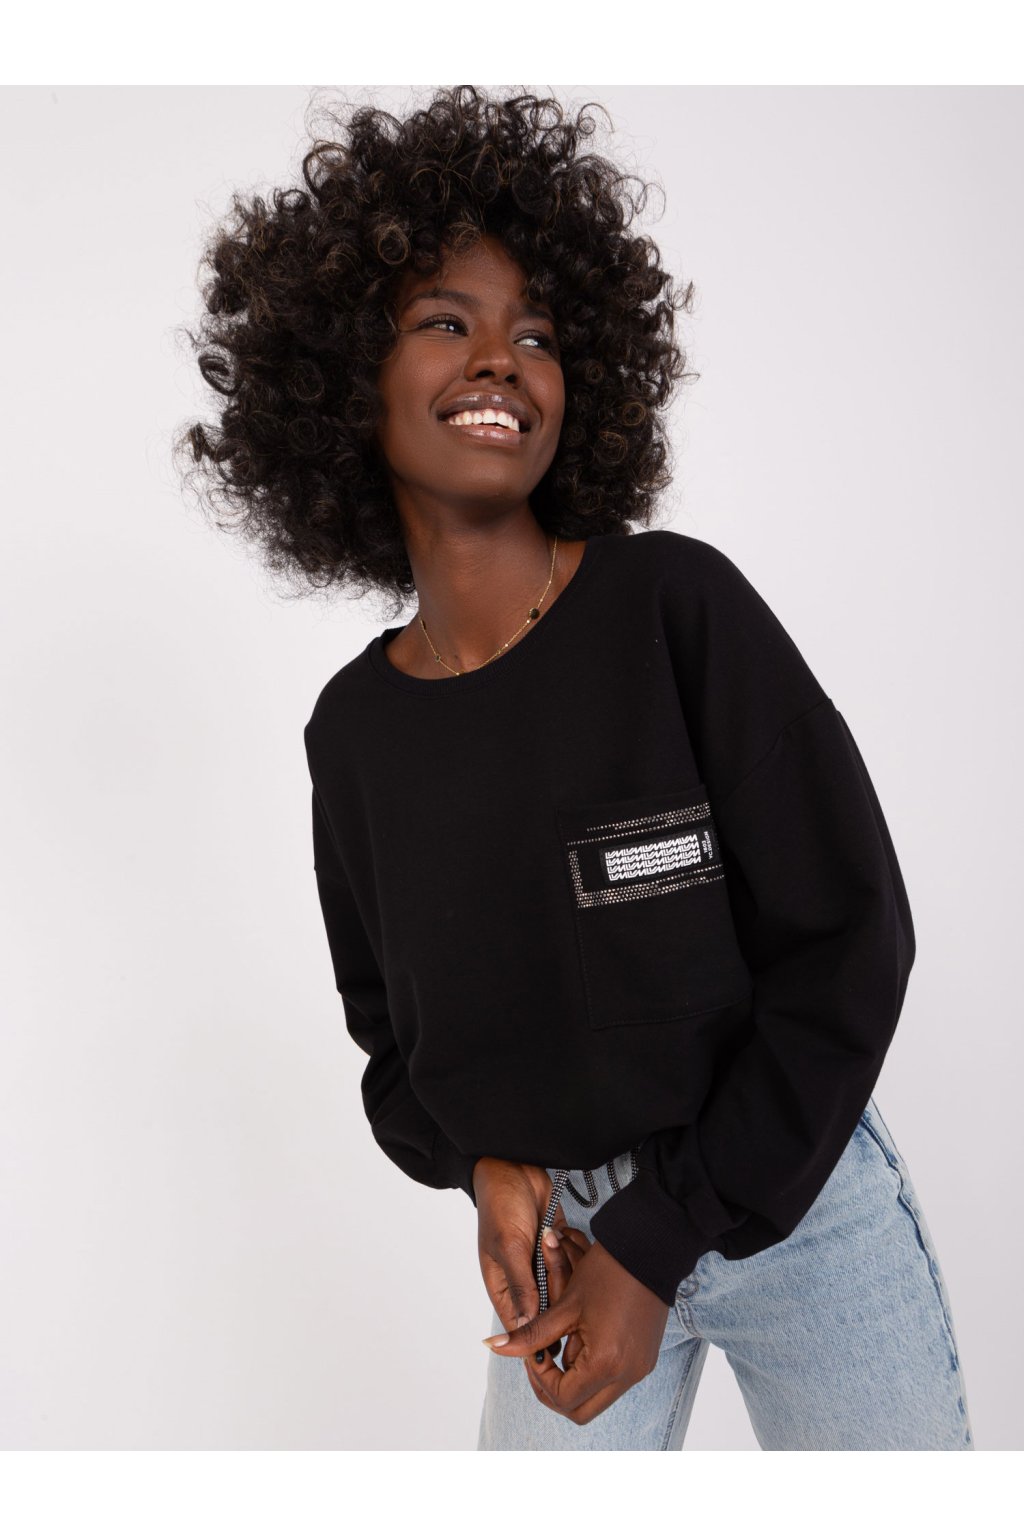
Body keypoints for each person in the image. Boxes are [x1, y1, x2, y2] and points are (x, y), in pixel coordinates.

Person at [176, 85, 975, 1450]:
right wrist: (483, 1167)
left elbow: (852, 941)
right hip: (566, 1239)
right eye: (447, 323)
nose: (501, 358)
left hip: (799, 1202)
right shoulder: (353, 732)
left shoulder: (675, 609)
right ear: (344, 379)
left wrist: (663, 1243)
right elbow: (393, 1039)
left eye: (537, 334)